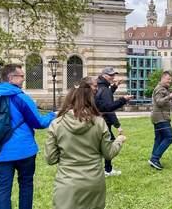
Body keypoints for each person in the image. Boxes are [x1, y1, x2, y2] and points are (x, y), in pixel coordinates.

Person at [45, 77, 126, 209]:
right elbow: (108, 154)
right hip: (93, 181)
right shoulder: (99, 122)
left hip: (66, 183)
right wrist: (119, 140)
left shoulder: (56, 124)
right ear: (91, 99)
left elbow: (50, 158)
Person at [0, 64, 56, 209]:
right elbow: (39, 123)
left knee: (3, 190)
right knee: (26, 185)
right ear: (11, 78)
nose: (24, 79)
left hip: (0, 151)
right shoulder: (21, 97)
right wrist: (52, 115)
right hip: (24, 151)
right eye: (21, 76)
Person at [95, 67, 132, 177]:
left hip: (99, 121)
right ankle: (107, 170)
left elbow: (104, 100)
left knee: (100, 146)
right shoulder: (104, 89)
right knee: (109, 146)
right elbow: (108, 107)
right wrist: (123, 100)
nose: (113, 77)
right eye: (111, 76)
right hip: (103, 123)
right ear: (105, 76)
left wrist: (114, 86)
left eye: (114, 75)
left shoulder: (100, 86)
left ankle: (105, 169)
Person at [148, 71, 172, 170]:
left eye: (170, 79)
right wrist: (171, 95)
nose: (169, 81)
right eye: (168, 79)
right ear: (162, 78)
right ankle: (155, 158)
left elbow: (163, 102)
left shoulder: (164, 89)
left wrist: (171, 101)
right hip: (161, 118)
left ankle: (153, 158)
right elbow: (159, 102)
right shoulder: (160, 89)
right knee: (170, 137)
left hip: (159, 117)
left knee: (159, 138)